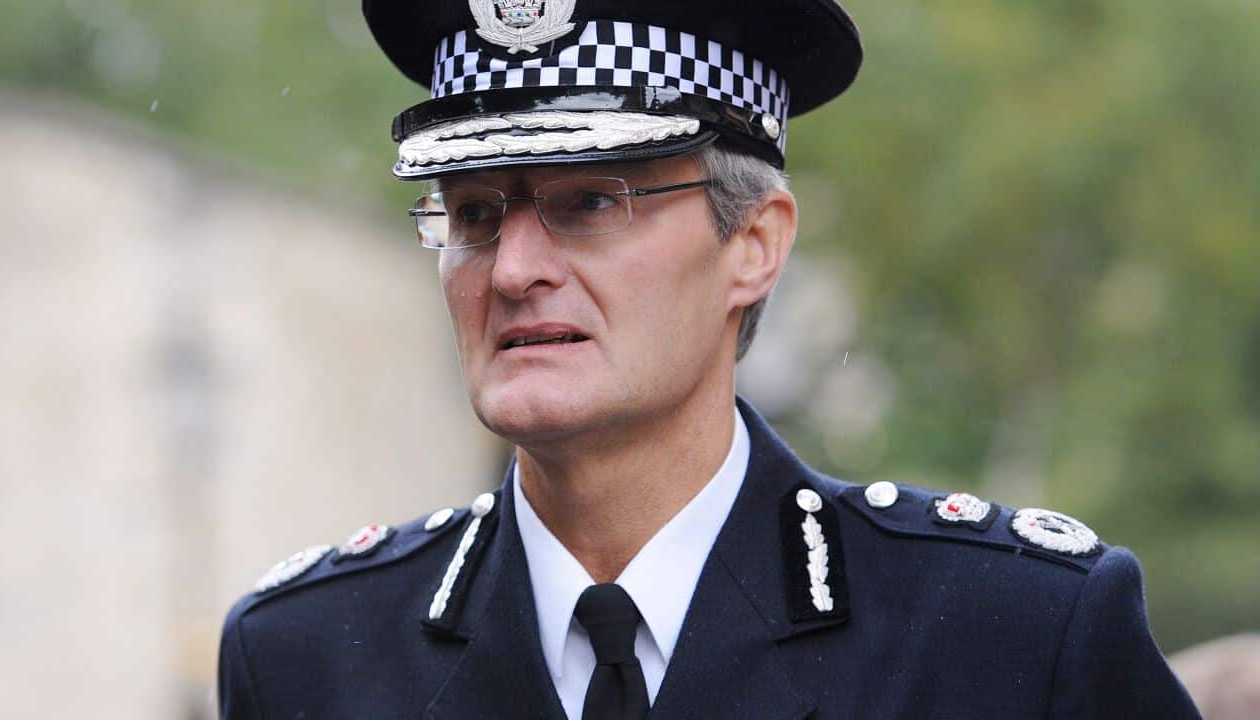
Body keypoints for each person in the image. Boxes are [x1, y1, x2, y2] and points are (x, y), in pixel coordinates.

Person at [218, 1, 1201, 718]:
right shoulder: (309, 660)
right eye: (474, 213)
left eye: (590, 202)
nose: (513, 268)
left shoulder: (1009, 638)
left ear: (753, 243)